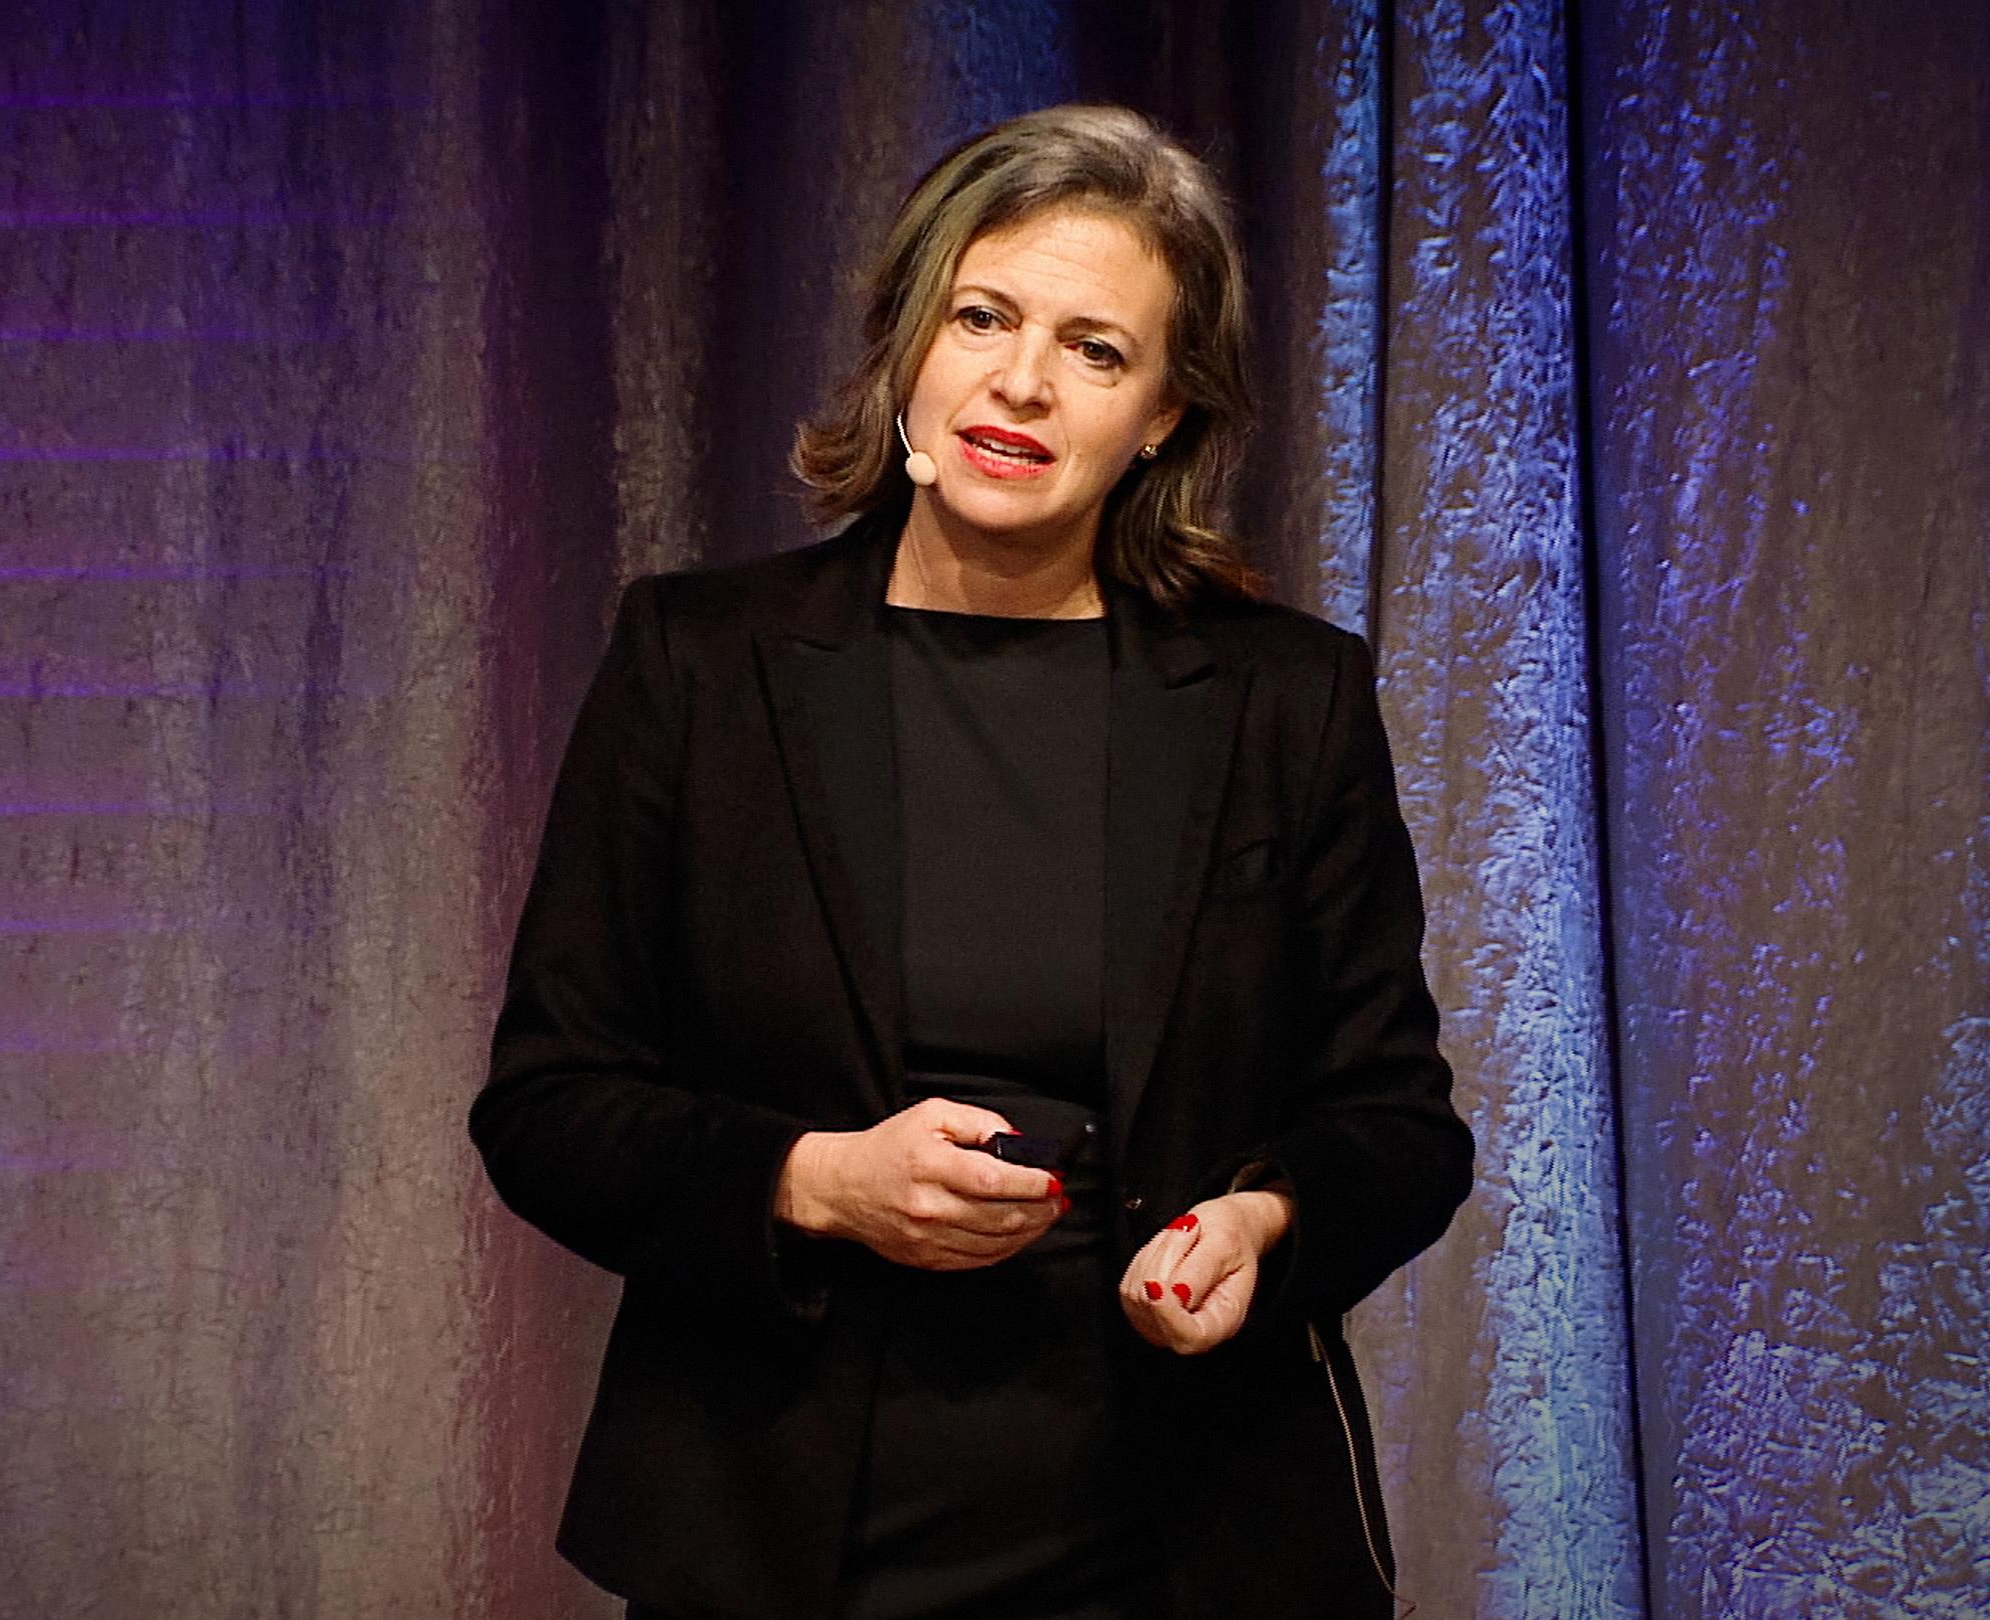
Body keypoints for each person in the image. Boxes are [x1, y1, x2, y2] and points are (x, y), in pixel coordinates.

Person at [470, 104, 1471, 1620]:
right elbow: (547, 1106)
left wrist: (1262, 1222)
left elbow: (1397, 1124)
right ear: (907, 355)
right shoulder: (700, 662)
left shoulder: (1286, 697)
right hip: (782, 1532)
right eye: (983, 316)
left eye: (1096, 349)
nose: (1021, 381)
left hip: (1181, 1542)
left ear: (1165, 421)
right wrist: (815, 1182)